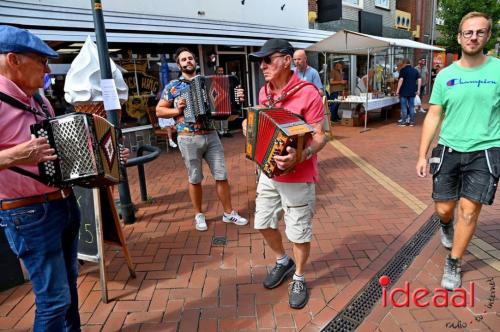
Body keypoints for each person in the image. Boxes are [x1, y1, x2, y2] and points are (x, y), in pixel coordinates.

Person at [0, 25, 77, 331]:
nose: (47, 68)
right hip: (27, 212)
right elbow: (23, 154)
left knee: (69, 290)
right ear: (13, 60)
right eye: (41, 61)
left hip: (63, 205)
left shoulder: (40, 100)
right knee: (54, 301)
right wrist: (15, 156)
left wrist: (104, 157)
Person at [416, 12, 499, 291]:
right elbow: (434, 115)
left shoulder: (498, 70)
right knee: (444, 208)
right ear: (459, 37)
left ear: (487, 36)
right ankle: (445, 225)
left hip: (486, 150)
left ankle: (454, 261)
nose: (473, 37)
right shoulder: (446, 75)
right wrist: (422, 153)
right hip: (449, 149)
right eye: (468, 32)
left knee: (469, 210)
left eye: (479, 32)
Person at [244, 39, 327, 309]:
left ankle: (300, 277)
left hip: (298, 176)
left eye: (268, 60)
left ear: (287, 60)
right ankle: (283, 261)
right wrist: (249, 125)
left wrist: (300, 156)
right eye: (261, 61)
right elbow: (261, 123)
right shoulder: (263, 93)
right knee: (262, 223)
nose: (262, 65)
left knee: (298, 233)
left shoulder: (308, 92)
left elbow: (320, 137)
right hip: (269, 172)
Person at [156, 48, 247, 231]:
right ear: (179, 64)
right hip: (188, 138)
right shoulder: (173, 86)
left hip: (211, 135)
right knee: (195, 178)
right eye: (183, 59)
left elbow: (228, 113)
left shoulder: (210, 81)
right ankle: (199, 215)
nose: (188, 61)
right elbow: (159, 110)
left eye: (190, 58)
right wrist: (177, 111)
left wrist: (237, 100)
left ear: (195, 61)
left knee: (221, 175)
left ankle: (228, 213)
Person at [396, 58, 421, 127]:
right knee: (411, 107)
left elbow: (401, 80)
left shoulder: (402, 70)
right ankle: (411, 122)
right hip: (412, 91)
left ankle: (403, 122)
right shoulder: (415, 70)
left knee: (403, 107)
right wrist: (418, 89)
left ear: (404, 63)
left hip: (403, 91)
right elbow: (419, 80)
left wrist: (397, 90)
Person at [214, 65, 232, 137]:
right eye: (219, 71)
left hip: (224, 99)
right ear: (216, 72)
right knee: (217, 116)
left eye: (222, 71)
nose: (221, 72)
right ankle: (218, 131)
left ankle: (225, 131)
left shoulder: (225, 79)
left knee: (225, 115)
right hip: (216, 100)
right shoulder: (213, 79)